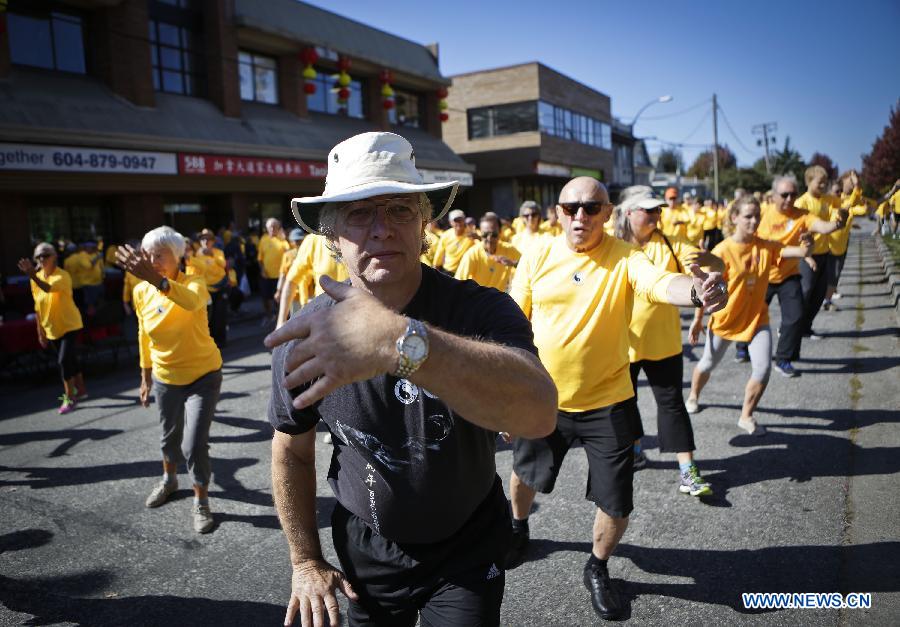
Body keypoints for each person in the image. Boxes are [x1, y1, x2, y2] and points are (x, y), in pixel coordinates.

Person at [266, 131, 557, 627]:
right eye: (360, 212)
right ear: (332, 236)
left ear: (424, 224)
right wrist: (305, 561)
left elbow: (539, 412)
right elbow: (291, 451)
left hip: (469, 548)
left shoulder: (479, 309)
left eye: (400, 209)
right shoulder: (304, 336)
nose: (382, 228)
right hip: (367, 554)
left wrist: (399, 339)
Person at [505, 176, 728, 620]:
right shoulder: (537, 256)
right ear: (558, 214)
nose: (580, 216)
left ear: (608, 214)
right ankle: (517, 527)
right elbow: (512, 323)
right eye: (571, 208)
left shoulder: (628, 258)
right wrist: (509, 393)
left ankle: (598, 566)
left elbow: (660, 284)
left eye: (591, 208)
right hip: (545, 399)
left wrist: (697, 291)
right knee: (524, 475)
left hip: (608, 400)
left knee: (616, 501)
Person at [614, 186, 723, 495]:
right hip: (622, 345)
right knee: (624, 403)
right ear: (628, 214)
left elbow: (713, 266)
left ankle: (688, 469)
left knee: (672, 405)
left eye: (658, 210)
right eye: (649, 210)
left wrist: (709, 264)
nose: (657, 215)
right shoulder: (611, 247)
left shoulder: (672, 244)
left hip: (664, 344)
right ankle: (634, 448)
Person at [117, 227, 223, 534]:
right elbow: (143, 335)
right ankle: (169, 480)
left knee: (194, 444)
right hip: (165, 377)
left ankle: (201, 500)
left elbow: (191, 302)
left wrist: (157, 281)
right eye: (148, 255)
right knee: (168, 438)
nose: (152, 260)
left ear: (179, 257)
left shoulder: (195, 282)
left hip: (204, 375)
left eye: (160, 255)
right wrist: (145, 376)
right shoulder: (140, 292)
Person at [686, 196, 811, 435]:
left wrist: (808, 246)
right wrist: (697, 319)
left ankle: (746, 416)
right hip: (725, 319)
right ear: (734, 218)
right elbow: (705, 289)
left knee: (763, 368)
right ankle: (693, 395)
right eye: (748, 216)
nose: (754, 221)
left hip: (757, 319)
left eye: (757, 216)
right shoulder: (722, 250)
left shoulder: (766, 246)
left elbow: (798, 251)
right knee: (708, 363)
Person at [735, 175, 844, 375]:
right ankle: (742, 347)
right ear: (774, 195)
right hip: (763, 274)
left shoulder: (802, 215)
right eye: (784, 195)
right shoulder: (762, 215)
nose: (789, 199)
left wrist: (837, 224)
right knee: (751, 313)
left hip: (788, 274)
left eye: (793, 194)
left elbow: (822, 226)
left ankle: (783, 359)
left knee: (795, 316)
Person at [18, 243, 86, 414]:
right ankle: (81, 388)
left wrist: (32, 275)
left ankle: (70, 398)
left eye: (45, 255)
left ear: (54, 256)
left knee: (63, 361)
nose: (42, 259)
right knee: (69, 359)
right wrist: (40, 332)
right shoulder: (36, 277)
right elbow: (37, 307)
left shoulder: (62, 276)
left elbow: (47, 288)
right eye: (38, 256)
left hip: (70, 324)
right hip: (51, 328)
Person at [793, 165, 849, 339]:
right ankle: (790, 328)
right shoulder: (801, 202)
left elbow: (845, 204)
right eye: (820, 182)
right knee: (805, 291)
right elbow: (797, 231)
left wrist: (843, 212)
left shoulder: (827, 199)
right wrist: (806, 255)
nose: (823, 185)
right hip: (807, 254)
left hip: (825, 252)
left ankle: (806, 327)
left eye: (825, 182)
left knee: (819, 295)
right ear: (809, 181)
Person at [276, 233, 349, 328]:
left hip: (359, 315)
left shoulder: (361, 235)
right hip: (324, 320)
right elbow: (291, 280)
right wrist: (281, 322)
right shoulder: (313, 240)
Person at [824, 171, 865, 309]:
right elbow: (850, 204)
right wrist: (857, 185)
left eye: (839, 191)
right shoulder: (829, 204)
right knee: (828, 277)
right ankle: (824, 300)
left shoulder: (842, 201)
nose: (838, 194)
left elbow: (859, 207)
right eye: (836, 191)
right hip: (828, 247)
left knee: (834, 277)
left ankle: (826, 301)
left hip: (841, 246)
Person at [455, 214, 520, 291]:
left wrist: (513, 263)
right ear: (480, 233)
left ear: (500, 232)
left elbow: (528, 265)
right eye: (485, 235)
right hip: (478, 299)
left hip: (499, 299)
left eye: (494, 235)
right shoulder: (472, 254)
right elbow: (458, 283)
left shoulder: (508, 249)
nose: (489, 239)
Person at [188, 228, 230, 348]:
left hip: (220, 287)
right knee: (209, 317)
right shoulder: (197, 255)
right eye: (203, 239)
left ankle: (221, 340)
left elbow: (223, 264)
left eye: (208, 239)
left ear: (213, 241)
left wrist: (212, 255)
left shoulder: (218, 252)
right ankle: (210, 341)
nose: (205, 241)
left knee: (221, 315)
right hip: (206, 290)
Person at [258, 218, 290, 325]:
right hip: (266, 275)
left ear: (278, 228)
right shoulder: (263, 239)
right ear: (266, 228)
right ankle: (268, 315)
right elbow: (260, 258)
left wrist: (285, 238)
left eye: (274, 227)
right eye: (269, 227)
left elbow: (290, 254)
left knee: (280, 298)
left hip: (280, 276)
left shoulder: (283, 240)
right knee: (265, 297)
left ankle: (280, 318)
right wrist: (262, 269)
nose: (272, 229)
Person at [432, 209, 474, 275]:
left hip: (466, 272)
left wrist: (478, 237)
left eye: (461, 220)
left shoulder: (472, 234)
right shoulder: (446, 235)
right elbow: (439, 255)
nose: (459, 223)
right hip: (449, 272)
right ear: (450, 222)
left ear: (464, 221)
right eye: (456, 220)